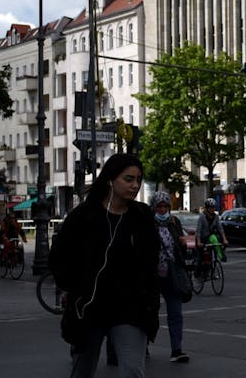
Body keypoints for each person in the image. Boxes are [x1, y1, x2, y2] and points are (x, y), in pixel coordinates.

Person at [51, 153, 160, 378]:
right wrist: (75, 288)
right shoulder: (84, 216)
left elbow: (151, 259)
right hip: (89, 309)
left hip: (130, 308)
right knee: (83, 369)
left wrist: (149, 297)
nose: (135, 185)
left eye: (138, 179)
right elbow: (60, 257)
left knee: (132, 369)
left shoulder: (141, 216)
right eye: (128, 179)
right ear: (110, 179)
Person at [151, 193, 190, 363]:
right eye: (159, 206)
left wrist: (183, 243)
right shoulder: (147, 224)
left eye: (165, 206)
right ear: (154, 207)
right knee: (150, 313)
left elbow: (182, 250)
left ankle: (177, 349)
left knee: (175, 314)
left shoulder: (175, 222)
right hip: (152, 276)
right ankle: (143, 345)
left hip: (172, 275)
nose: (163, 209)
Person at [194, 198, 223, 276]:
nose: (212, 209)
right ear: (206, 208)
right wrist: (199, 242)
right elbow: (198, 231)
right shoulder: (202, 217)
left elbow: (220, 228)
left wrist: (224, 239)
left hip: (209, 239)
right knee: (201, 257)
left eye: (213, 207)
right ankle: (197, 273)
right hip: (201, 239)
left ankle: (211, 270)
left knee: (211, 254)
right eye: (210, 207)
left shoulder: (216, 217)